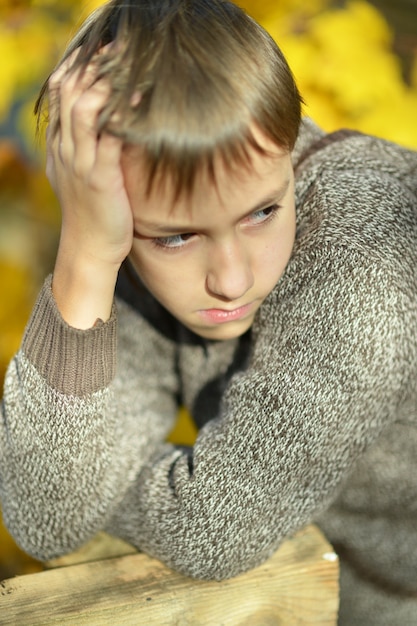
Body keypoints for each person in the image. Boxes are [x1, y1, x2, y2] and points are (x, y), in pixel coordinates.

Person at [1, 0, 416, 623]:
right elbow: (46, 516)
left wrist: (131, 489)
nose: (232, 279)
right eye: (176, 237)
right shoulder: (121, 250)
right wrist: (86, 257)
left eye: (263, 212)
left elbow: (213, 529)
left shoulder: (368, 251)